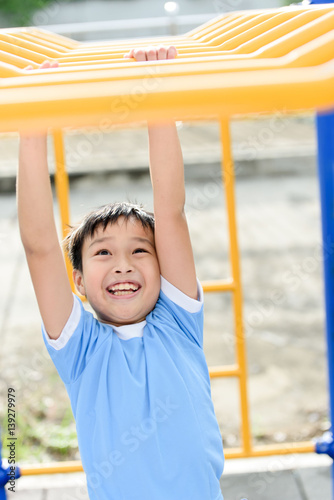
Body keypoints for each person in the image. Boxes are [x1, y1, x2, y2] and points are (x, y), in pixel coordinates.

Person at [17, 47, 224, 500]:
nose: (123, 263)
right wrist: (31, 124)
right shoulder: (82, 350)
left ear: (162, 265)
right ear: (78, 282)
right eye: (103, 253)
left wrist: (157, 99)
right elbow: (40, 247)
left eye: (139, 251)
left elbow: (170, 212)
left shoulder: (177, 323)